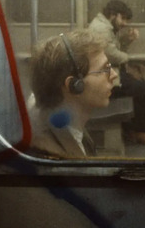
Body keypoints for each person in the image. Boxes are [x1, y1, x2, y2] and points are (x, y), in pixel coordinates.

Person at [88, 0, 145, 145]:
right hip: (108, 80)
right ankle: (141, 132)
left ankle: (137, 130)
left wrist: (127, 41)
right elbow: (110, 54)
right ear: (113, 15)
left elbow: (114, 52)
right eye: (123, 18)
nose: (125, 23)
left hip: (112, 73)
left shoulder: (107, 27)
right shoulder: (101, 29)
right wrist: (129, 60)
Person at [28, 29, 118, 158]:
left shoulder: (67, 125)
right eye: (103, 69)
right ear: (74, 85)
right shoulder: (50, 152)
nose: (114, 75)